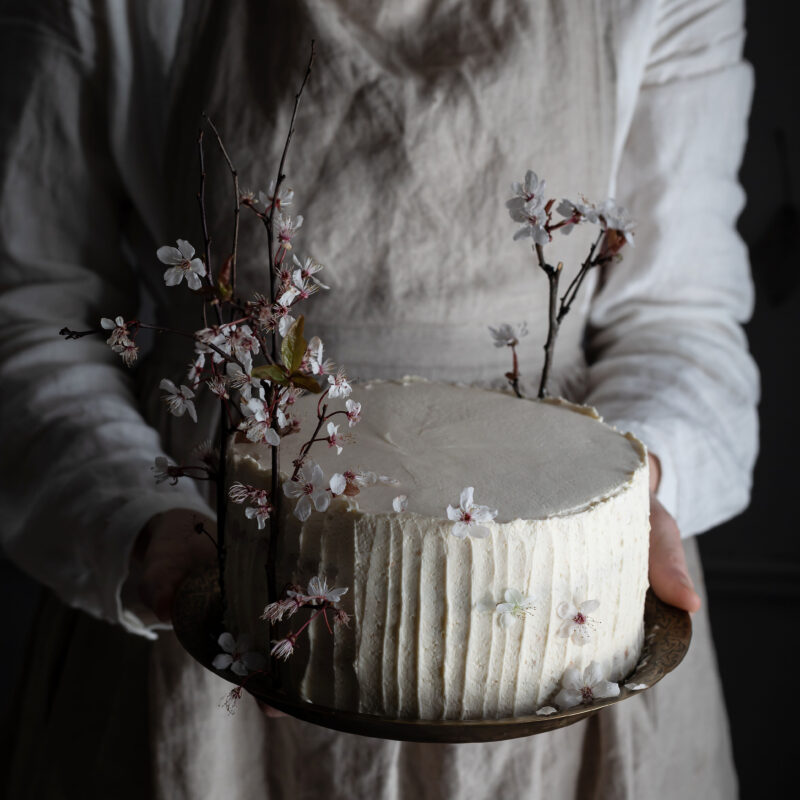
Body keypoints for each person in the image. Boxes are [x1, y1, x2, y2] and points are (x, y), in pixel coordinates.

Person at [0, 0, 757, 797]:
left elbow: (681, 319)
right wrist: (133, 517)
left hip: (560, 627)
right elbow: (29, 315)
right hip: (224, 583)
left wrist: (623, 501)